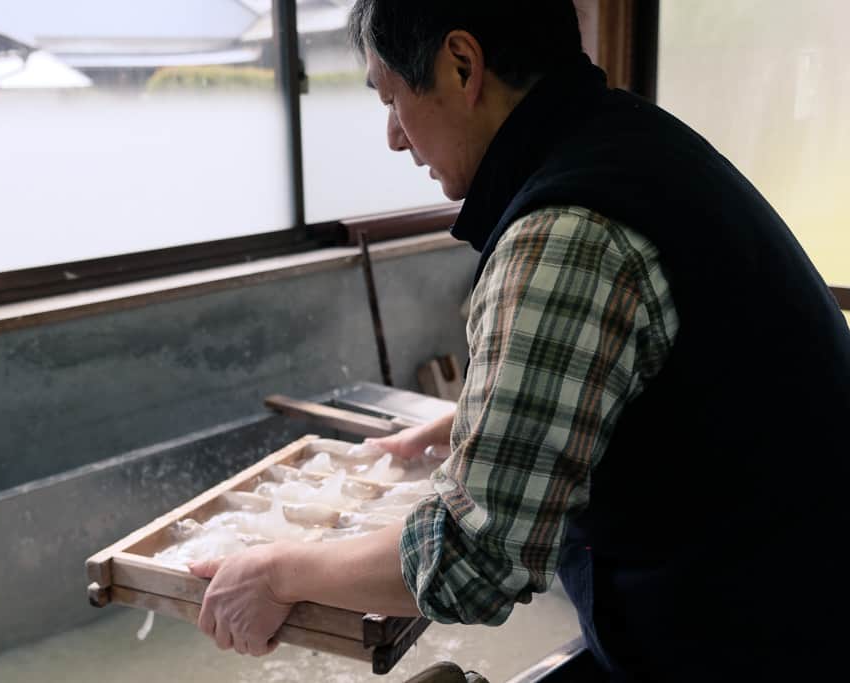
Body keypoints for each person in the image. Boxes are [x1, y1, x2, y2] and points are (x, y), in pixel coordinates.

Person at [190, 2, 850, 680]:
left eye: (393, 99)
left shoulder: (565, 232)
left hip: (771, 638)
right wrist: (464, 420)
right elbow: (670, 381)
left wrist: (277, 571)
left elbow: (475, 559)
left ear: (462, 66)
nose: (393, 136)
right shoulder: (631, 142)